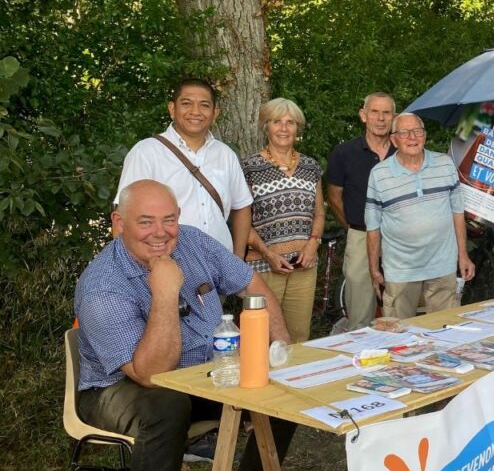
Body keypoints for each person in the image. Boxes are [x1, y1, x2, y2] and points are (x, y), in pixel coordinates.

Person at [75, 180, 299, 471]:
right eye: (145, 222)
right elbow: (150, 374)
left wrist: (279, 346)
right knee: (166, 405)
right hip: (116, 386)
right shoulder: (102, 285)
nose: (160, 232)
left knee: (280, 387)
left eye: (169, 220)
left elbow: (252, 286)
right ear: (119, 223)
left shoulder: (194, 242)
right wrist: (164, 292)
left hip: (199, 375)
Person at [116, 78, 252, 258]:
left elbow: (241, 206)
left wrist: (237, 260)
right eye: (187, 103)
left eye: (204, 105)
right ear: (172, 109)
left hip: (220, 264)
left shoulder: (225, 154)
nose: (195, 111)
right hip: (167, 264)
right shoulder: (146, 152)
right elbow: (123, 214)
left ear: (215, 113)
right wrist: (127, 266)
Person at [365, 112, 476, 319]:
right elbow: (373, 227)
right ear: (394, 140)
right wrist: (373, 268)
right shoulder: (379, 174)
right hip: (400, 269)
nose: (412, 137)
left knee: (445, 326)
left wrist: (463, 255)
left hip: (442, 264)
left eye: (417, 131)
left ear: (424, 136)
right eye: (404, 133)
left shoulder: (445, 164)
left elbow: (457, 213)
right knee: (397, 328)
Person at [242, 98, 325, 343]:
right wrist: (268, 254)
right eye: (277, 122)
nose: (284, 128)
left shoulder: (310, 166)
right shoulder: (250, 167)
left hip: (304, 265)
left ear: (297, 128)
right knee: (263, 336)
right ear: (265, 126)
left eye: (290, 122)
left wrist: (313, 244)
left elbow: (319, 213)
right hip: (264, 266)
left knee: (299, 338)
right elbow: (242, 223)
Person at [325, 93, 396, 329]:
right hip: (361, 236)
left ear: (393, 117)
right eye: (375, 112)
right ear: (363, 115)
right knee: (360, 312)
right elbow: (334, 197)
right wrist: (352, 228)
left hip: (400, 239)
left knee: (400, 309)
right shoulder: (344, 153)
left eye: (386, 112)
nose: (381, 118)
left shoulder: (404, 152)